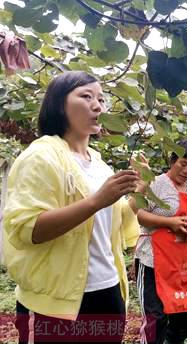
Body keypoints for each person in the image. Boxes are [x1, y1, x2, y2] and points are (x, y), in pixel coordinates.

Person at [2, 71, 141, 343]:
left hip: (108, 290)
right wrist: (96, 200)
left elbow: (111, 221)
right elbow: (28, 228)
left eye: (101, 99)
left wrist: (136, 193)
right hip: (58, 301)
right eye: (86, 96)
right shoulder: (41, 156)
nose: (97, 105)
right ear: (59, 103)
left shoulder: (99, 163)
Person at [129, 140, 187, 344]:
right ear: (172, 160)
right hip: (153, 261)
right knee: (156, 319)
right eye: (183, 163)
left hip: (179, 263)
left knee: (183, 318)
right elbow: (140, 215)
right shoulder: (157, 184)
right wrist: (171, 222)